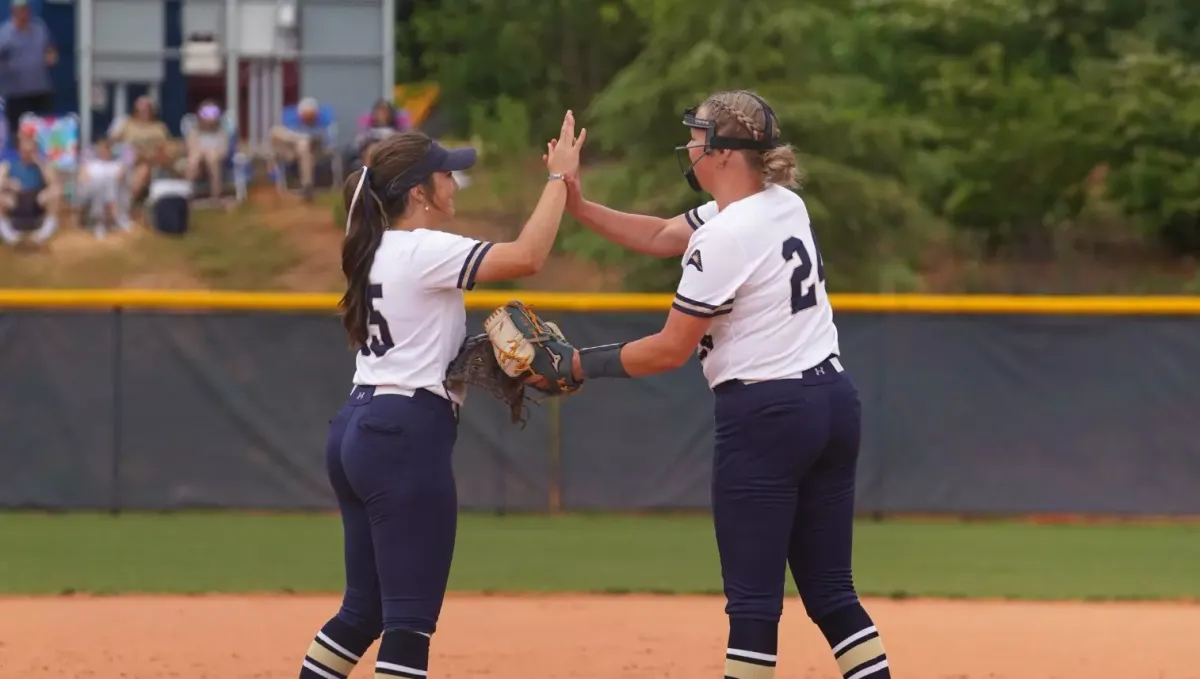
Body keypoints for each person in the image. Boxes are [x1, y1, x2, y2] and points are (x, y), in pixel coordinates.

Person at [558, 91, 892, 679]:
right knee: (833, 595)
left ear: (725, 154)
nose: (689, 146)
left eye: (698, 136)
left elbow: (668, 349)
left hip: (768, 414)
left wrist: (575, 365)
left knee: (754, 608)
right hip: (834, 402)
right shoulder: (781, 203)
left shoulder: (725, 236)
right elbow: (664, 235)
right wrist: (579, 205)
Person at [296, 111, 586, 679]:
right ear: (419, 192)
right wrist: (559, 178)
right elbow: (527, 256)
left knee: (364, 612)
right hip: (404, 435)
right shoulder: (421, 248)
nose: (454, 182)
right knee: (409, 624)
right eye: (446, 174)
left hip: (357, 428)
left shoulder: (370, 250)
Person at [0, 0, 58, 143]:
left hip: (40, 90)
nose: (22, 14)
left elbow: (50, 48)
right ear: (13, 12)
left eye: (25, 10)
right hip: (16, 94)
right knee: (18, 135)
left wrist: (51, 56)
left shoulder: (40, 28)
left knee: (45, 131)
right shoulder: (5, 33)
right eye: (19, 10)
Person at [109, 95, 172, 202]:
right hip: (128, 160)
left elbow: (167, 148)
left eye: (147, 109)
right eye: (140, 109)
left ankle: (126, 203)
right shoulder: (127, 124)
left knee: (143, 169)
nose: (143, 112)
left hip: (150, 162)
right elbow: (112, 142)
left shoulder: (159, 127)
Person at [0, 133, 59, 247]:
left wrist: (39, 162)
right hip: (16, 200)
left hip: (36, 199)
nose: (27, 154)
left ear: (35, 150)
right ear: (19, 151)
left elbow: (53, 183)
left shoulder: (43, 164)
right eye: (24, 151)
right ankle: (10, 237)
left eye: (30, 151)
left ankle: (42, 235)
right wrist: (8, 183)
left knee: (55, 192)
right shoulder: (9, 165)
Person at [270, 96, 327, 200]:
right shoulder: (295, 121)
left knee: (303, 146)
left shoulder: (320, 124)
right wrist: (296, 137)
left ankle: (307, 187)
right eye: (304, 113)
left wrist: (304, 139)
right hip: (291, 150)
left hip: (311, 152)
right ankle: (275, 168)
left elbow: (321, 139)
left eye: (309, 114)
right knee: (275, 131)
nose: (306, 116)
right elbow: (285, 134)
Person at [184, 100, 231, 201]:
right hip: (198, 162)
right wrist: (204, 153)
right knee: (194, 160)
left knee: (212, 158)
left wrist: (211, 153)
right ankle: (186, 194)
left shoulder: (221, 134)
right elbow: (190, 148)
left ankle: (215, 195)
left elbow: (224, 151)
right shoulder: (195, 132)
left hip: (216, 161)